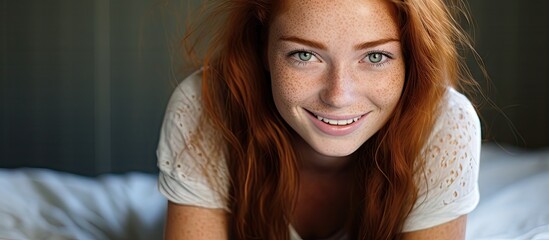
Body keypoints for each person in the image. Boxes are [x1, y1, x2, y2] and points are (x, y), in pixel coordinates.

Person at [156, 0, 482, 239]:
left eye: (375, 56)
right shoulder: (205, 105)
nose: (338, 96)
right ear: (262, 49)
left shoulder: (443, 123)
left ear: (409, 59)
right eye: (304, 55)